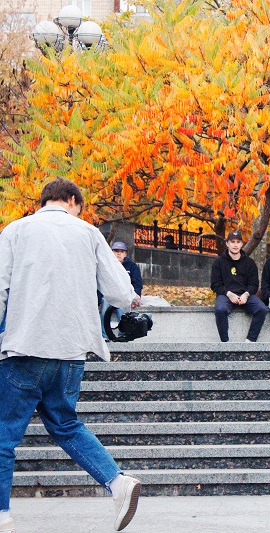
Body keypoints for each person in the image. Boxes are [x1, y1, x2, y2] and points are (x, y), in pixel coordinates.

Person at [0, 177, 142, 532]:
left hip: (25, 347)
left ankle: (2, 515)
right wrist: (132, 303)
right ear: (72, 200)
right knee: (65, 424)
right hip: (71, 352)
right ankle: (117, 481)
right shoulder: (88, 233)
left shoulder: (16, 231)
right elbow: (120, 292)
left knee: (4, 435)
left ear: (44, 200)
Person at [210, 230, 267, 342]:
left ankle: (250, 340)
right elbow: (215, 284)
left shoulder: (249, 263)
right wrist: (229, 294)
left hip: (245, 294)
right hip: (226, 294)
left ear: (241, 244)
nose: (235, 245)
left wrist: (246, 294)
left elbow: (254, 284)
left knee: (261, 309)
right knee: (220, 310)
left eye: (238, 242)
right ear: (227, 243)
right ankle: (225, 343)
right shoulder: (219, 262)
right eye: (232, 242)